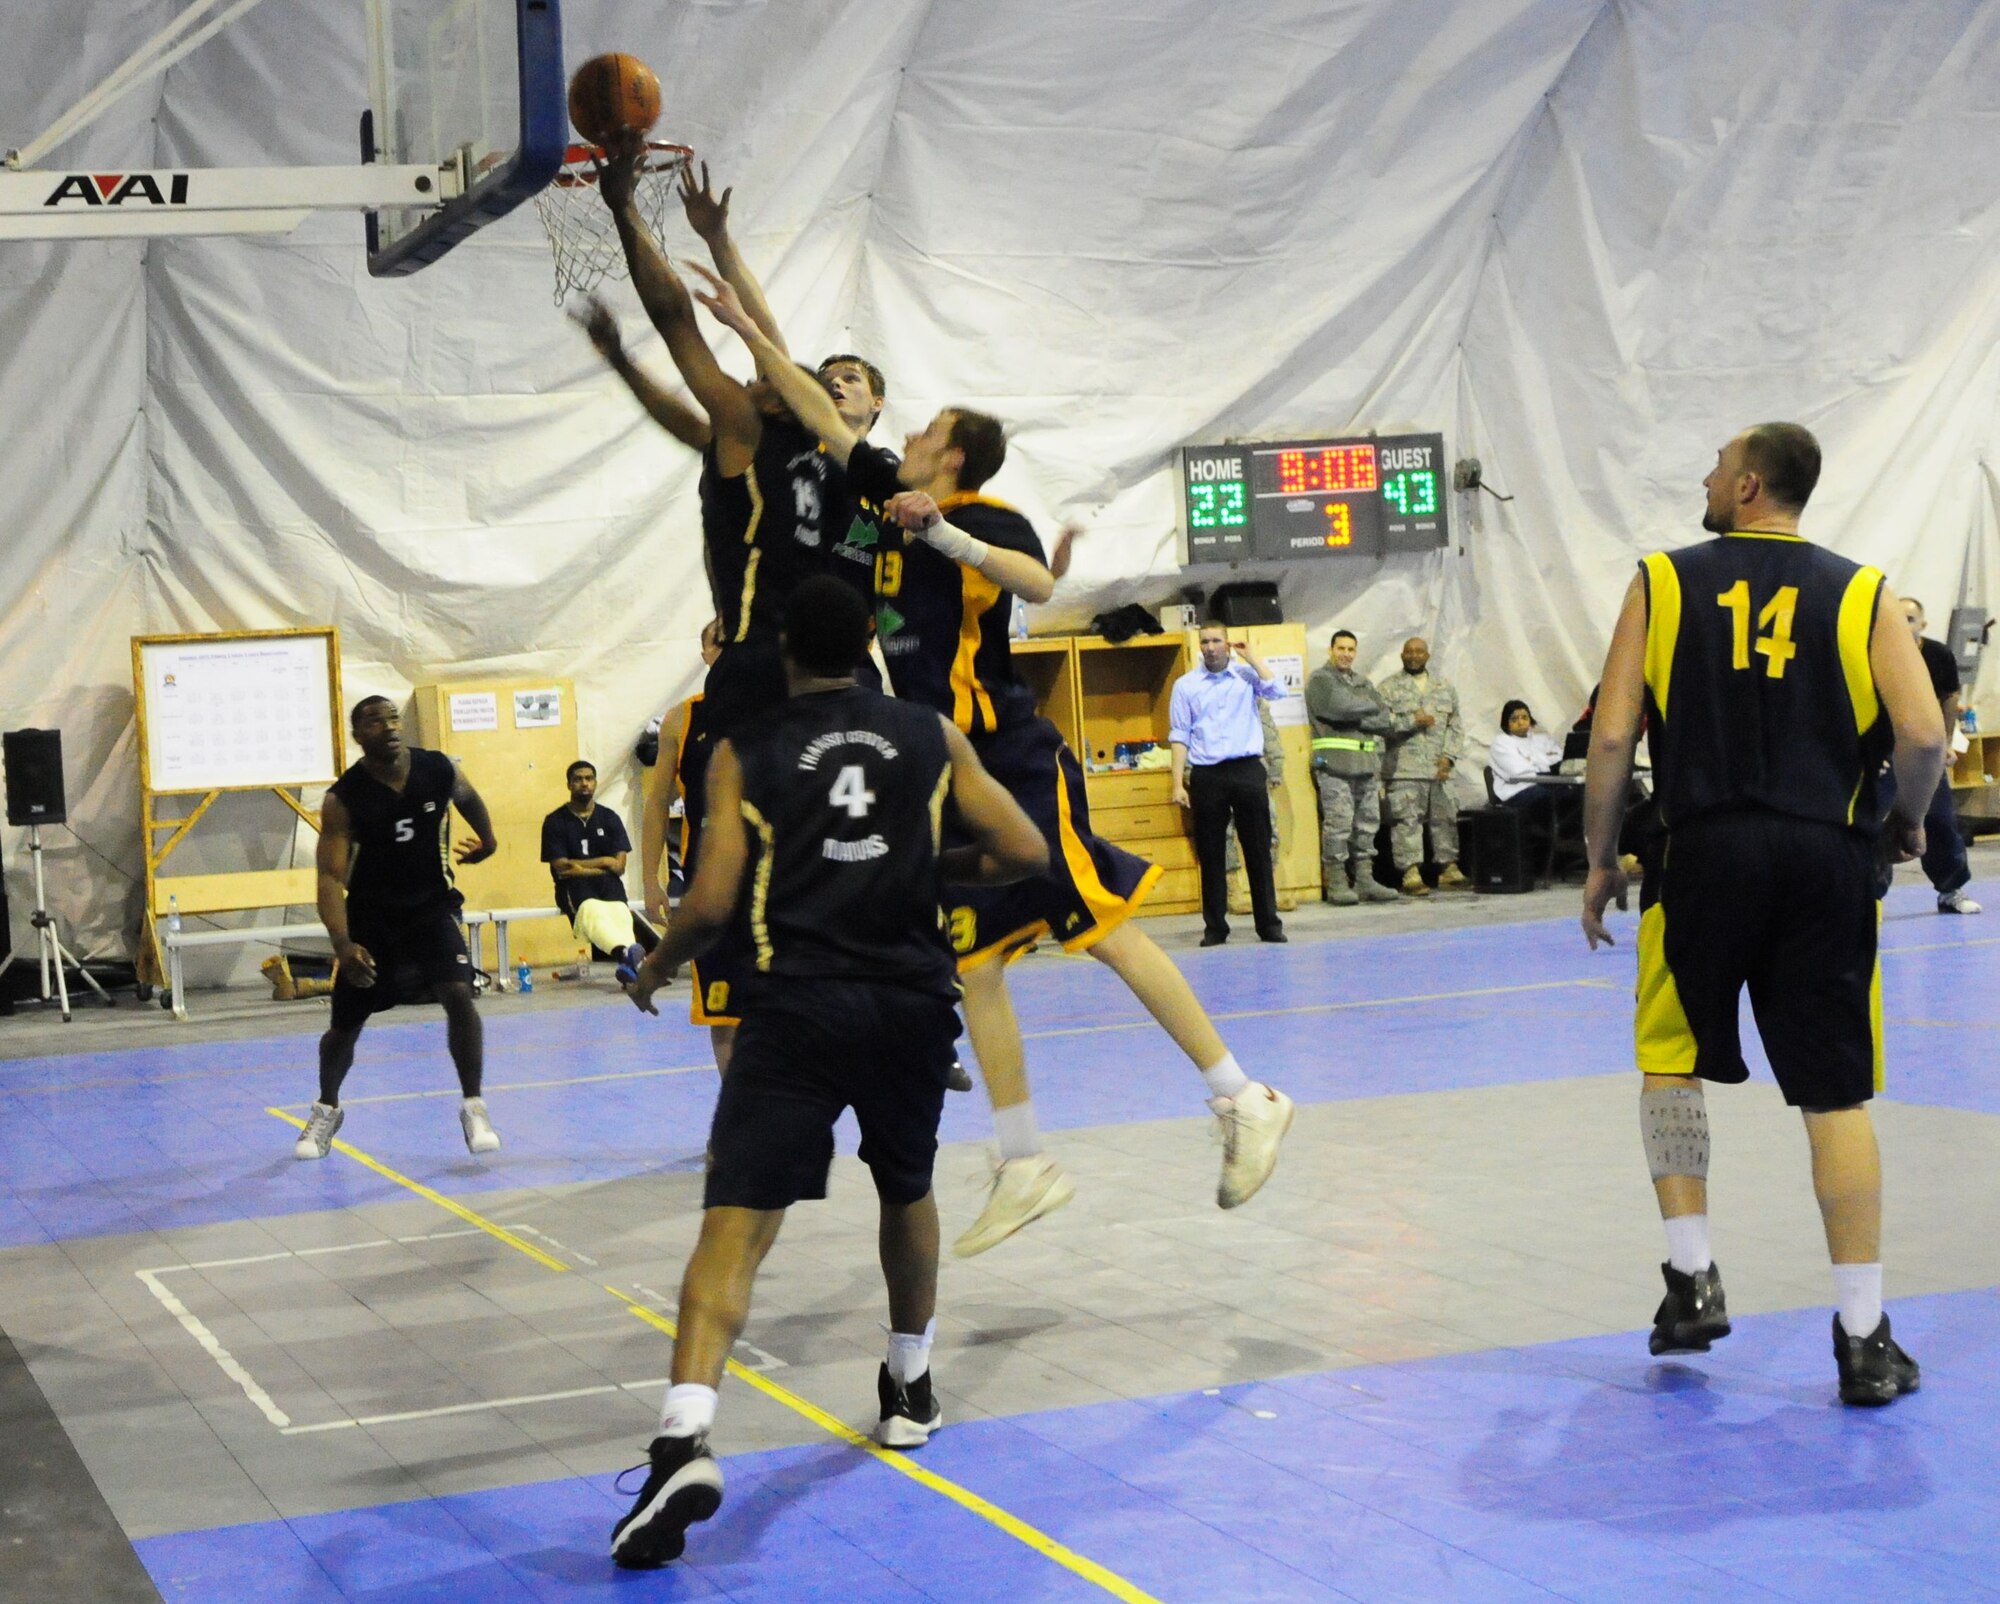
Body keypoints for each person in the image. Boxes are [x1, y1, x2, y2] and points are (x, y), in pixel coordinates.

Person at [689, 273, 1296, 1255]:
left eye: (927, 432)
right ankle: (1023, 1161)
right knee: (969, 961)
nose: (910, 438)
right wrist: (744, 320)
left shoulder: (981, 514)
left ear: (956, 453)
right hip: (948, 773)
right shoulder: (880, 495)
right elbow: (809, 409)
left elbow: (1038, 580)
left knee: (1098, 924)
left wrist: (947, 532)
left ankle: (1242, 1094)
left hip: (1012, 755)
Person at [610, 578, 1049, 1569]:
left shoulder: (742, 749)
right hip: (907, 1002)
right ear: (864, 643)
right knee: (906, 1187)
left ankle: (682, 1435)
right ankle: (909, 1382)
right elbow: (1022, 847)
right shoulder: (928, 732)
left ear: (779, 653)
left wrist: (654, 964)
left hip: (793, 1005)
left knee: (734, 1224)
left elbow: (714, 898)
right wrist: (933, 873)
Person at [1581, 421, 1946, 1407]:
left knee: (1668, 1057)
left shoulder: (1661, 580)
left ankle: (1690, 1274)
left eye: (1711, 463)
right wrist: (1902, 824)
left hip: (1697, 851)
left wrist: (1593, 858)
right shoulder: (1862, 589)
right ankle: (1864, 1336)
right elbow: (1921, 732)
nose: (1701, 475)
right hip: (1823, 852)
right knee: (1835, 1096)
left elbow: (1612, 733)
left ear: (1745, 485)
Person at [293, 697, 501, 1160]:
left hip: (433, 909)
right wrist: (342, 943)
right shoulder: (344, 798)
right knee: (343, 1029)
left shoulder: (438, 769)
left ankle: (474, 1104)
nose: (388, 726)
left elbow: (467, 796)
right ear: (357, 735)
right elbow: (329, 877)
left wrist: (488, 840)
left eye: (393, 717)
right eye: (374, 721)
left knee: (459, 994)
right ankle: (327, 1107)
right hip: (373, 919)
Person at [1170, 625, 1287, 944]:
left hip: (1247, 769)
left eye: (1216, 641)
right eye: (1204, 642)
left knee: (1258, 848)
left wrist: (1252, 658)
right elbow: (1180, 734)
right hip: (1208, 775)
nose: (1210, 647)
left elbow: (1278, 691)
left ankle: (1269, 924)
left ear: (1227, 645)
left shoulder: (1246, 677)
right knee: (1211, 853)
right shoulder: (1186, 686)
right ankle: (1215, 927)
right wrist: (1177, 782)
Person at [1881, 597, 1979, 914]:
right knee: (1872, 823)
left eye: (1911, 618)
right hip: (1882, 753)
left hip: (1921, 754)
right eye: (1899, 617)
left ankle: (1951, 889)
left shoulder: (1937, 655)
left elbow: (1949, 697)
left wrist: (1946, 742)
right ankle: (1870, 895)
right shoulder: (1878, 652)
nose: (1904, 623)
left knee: (1938, 819)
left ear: (1922, 624)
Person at [541, 760, 658, 984]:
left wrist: (583, 867)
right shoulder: (555, 821)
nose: (584, 783)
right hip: (573, 889)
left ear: (595, 783)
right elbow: (562, 868)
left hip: (609, 885)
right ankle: (627, 957)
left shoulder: (609, 817)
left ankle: (627, 962)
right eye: (578, 779)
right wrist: (604, 863)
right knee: (593, 912)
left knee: (620, 914)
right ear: (569, 784)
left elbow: (619, 865)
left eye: (589, 778)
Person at [1305, 628, 1397, 904]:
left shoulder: (1362, 682)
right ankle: (1336, 882)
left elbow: (1384, 720)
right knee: (1339, 825)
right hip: (1335, 766)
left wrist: (1357, 713)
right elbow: (1336, 707)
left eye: (1350, 649)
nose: (1346, 654)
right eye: (1341, 648)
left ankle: (1365, 880)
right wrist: (1367, 707)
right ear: (1331, 650)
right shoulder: (1320, 680)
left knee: (1368, 824)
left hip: (1366, 766)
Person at [1379, 637, 1467, 894]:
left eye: (1419, 652)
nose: (1414, 656)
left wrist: (1449, 757)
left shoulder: (1444, 687)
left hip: (1439, 768)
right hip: (1404, 768)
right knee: (1407, 821)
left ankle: (1448, 868)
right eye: (1409, 651)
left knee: (1446, 817)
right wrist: (1411, 721)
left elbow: (1456, 725)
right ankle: (1410, 872)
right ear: (1402, 655)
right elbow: (1381, 724)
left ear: (1428, 656)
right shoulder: (1388, 688)